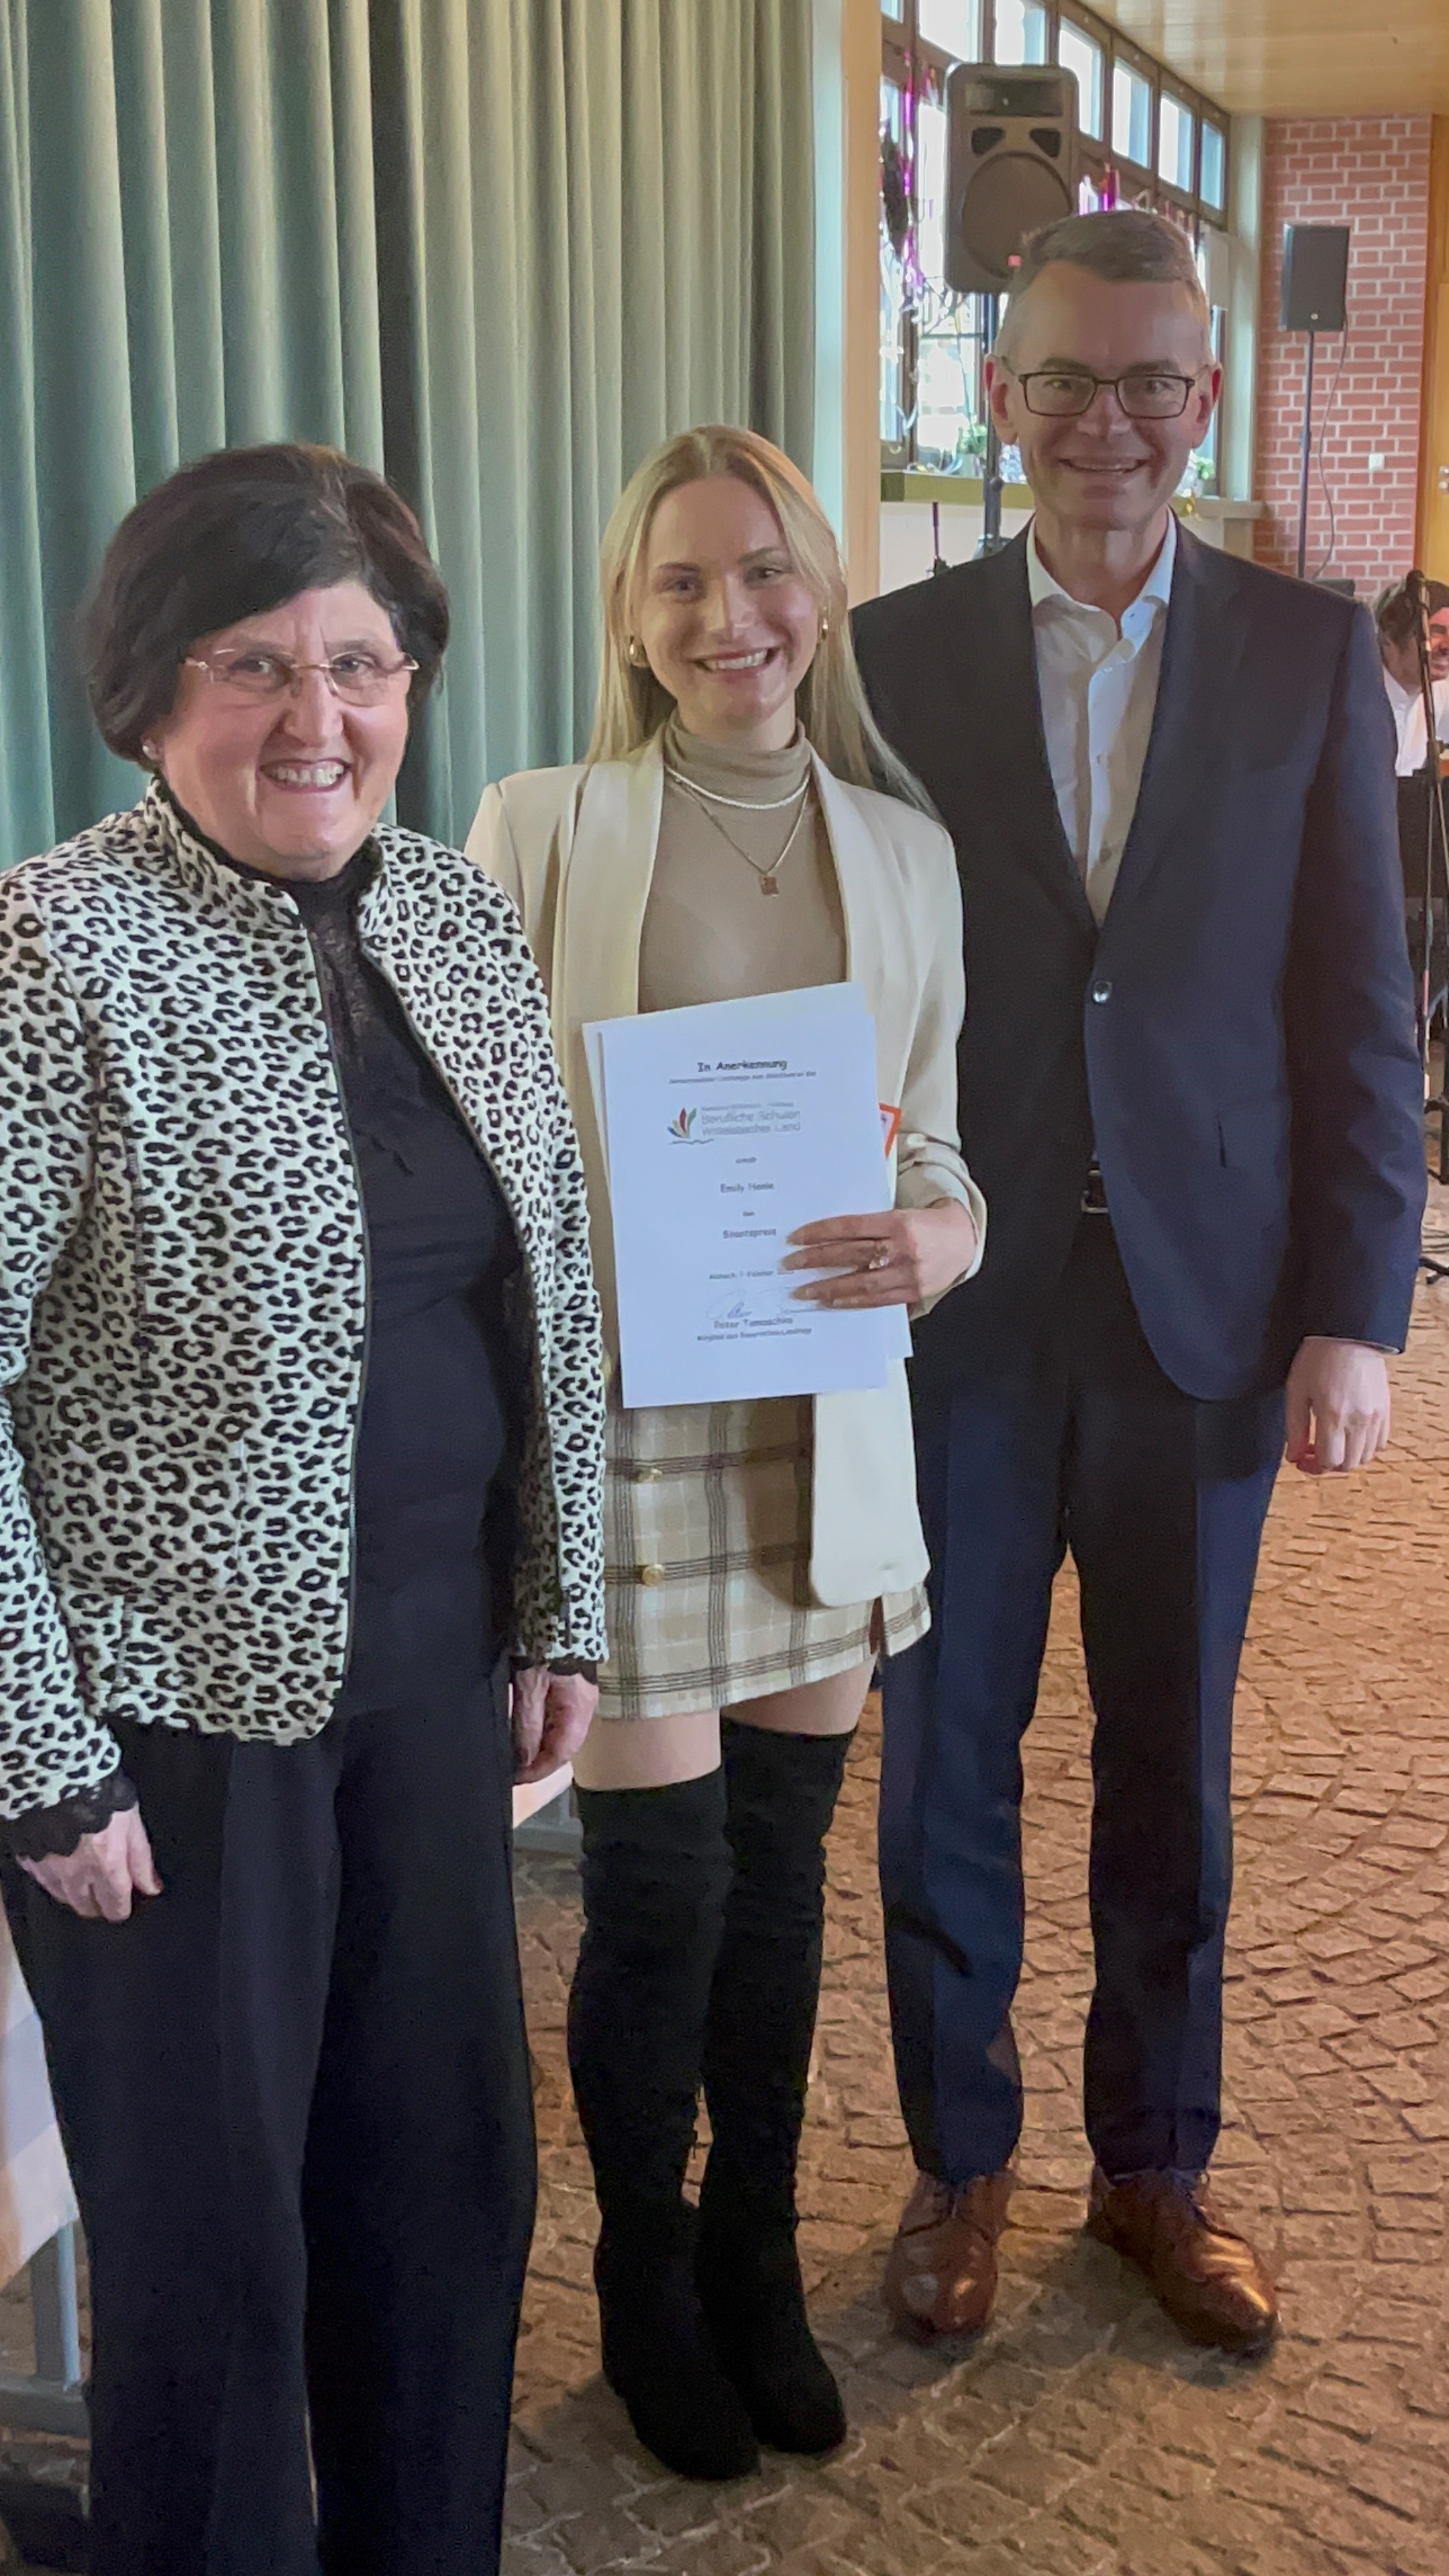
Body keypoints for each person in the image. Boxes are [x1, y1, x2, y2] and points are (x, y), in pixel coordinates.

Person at [0, 441, 605, 2576]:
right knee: (217, 2265)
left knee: (443, 2194)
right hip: (169, 1737)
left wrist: (562, 1599)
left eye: (360, 661)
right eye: (250, 661)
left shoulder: (452, 908)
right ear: (149, 689)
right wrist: (39, 1753)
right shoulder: (54, 945)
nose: (315, 715)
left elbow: (548, 1272)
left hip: (429, 1674)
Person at [852, 212, 1426, 2359]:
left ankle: (1154, 2166)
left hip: (1210, 1304)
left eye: (1155, 381)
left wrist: (1359, 1307)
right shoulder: (891, 658)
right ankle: (961, 2160)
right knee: (948, 1759)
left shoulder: (1307, 653)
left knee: (1171, 1762)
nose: (1113, 423)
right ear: (1001, 397)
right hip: (963, 1307)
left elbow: (1357, 1003)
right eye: (1070, 381)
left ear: (1209, 394)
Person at [468, 424, 985, 2480]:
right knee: (660, 1895)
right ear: (625, 615)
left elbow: (936, 1145)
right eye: (678, 578)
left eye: (763, 569)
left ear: (822, 591)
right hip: (618, 1438)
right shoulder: (541, 828)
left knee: (779, 1893)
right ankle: (645, 2287)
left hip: (821, 1419)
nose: (728, 614)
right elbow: (478, 1151)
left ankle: (756, 2265)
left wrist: (945, 1237)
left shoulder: (908, 854)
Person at [1374, 575, 1449, 775]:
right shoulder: (1353, 697)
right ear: (1390, 635)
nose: (1447, 646)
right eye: (1435, 632)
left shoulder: (1440, 691)